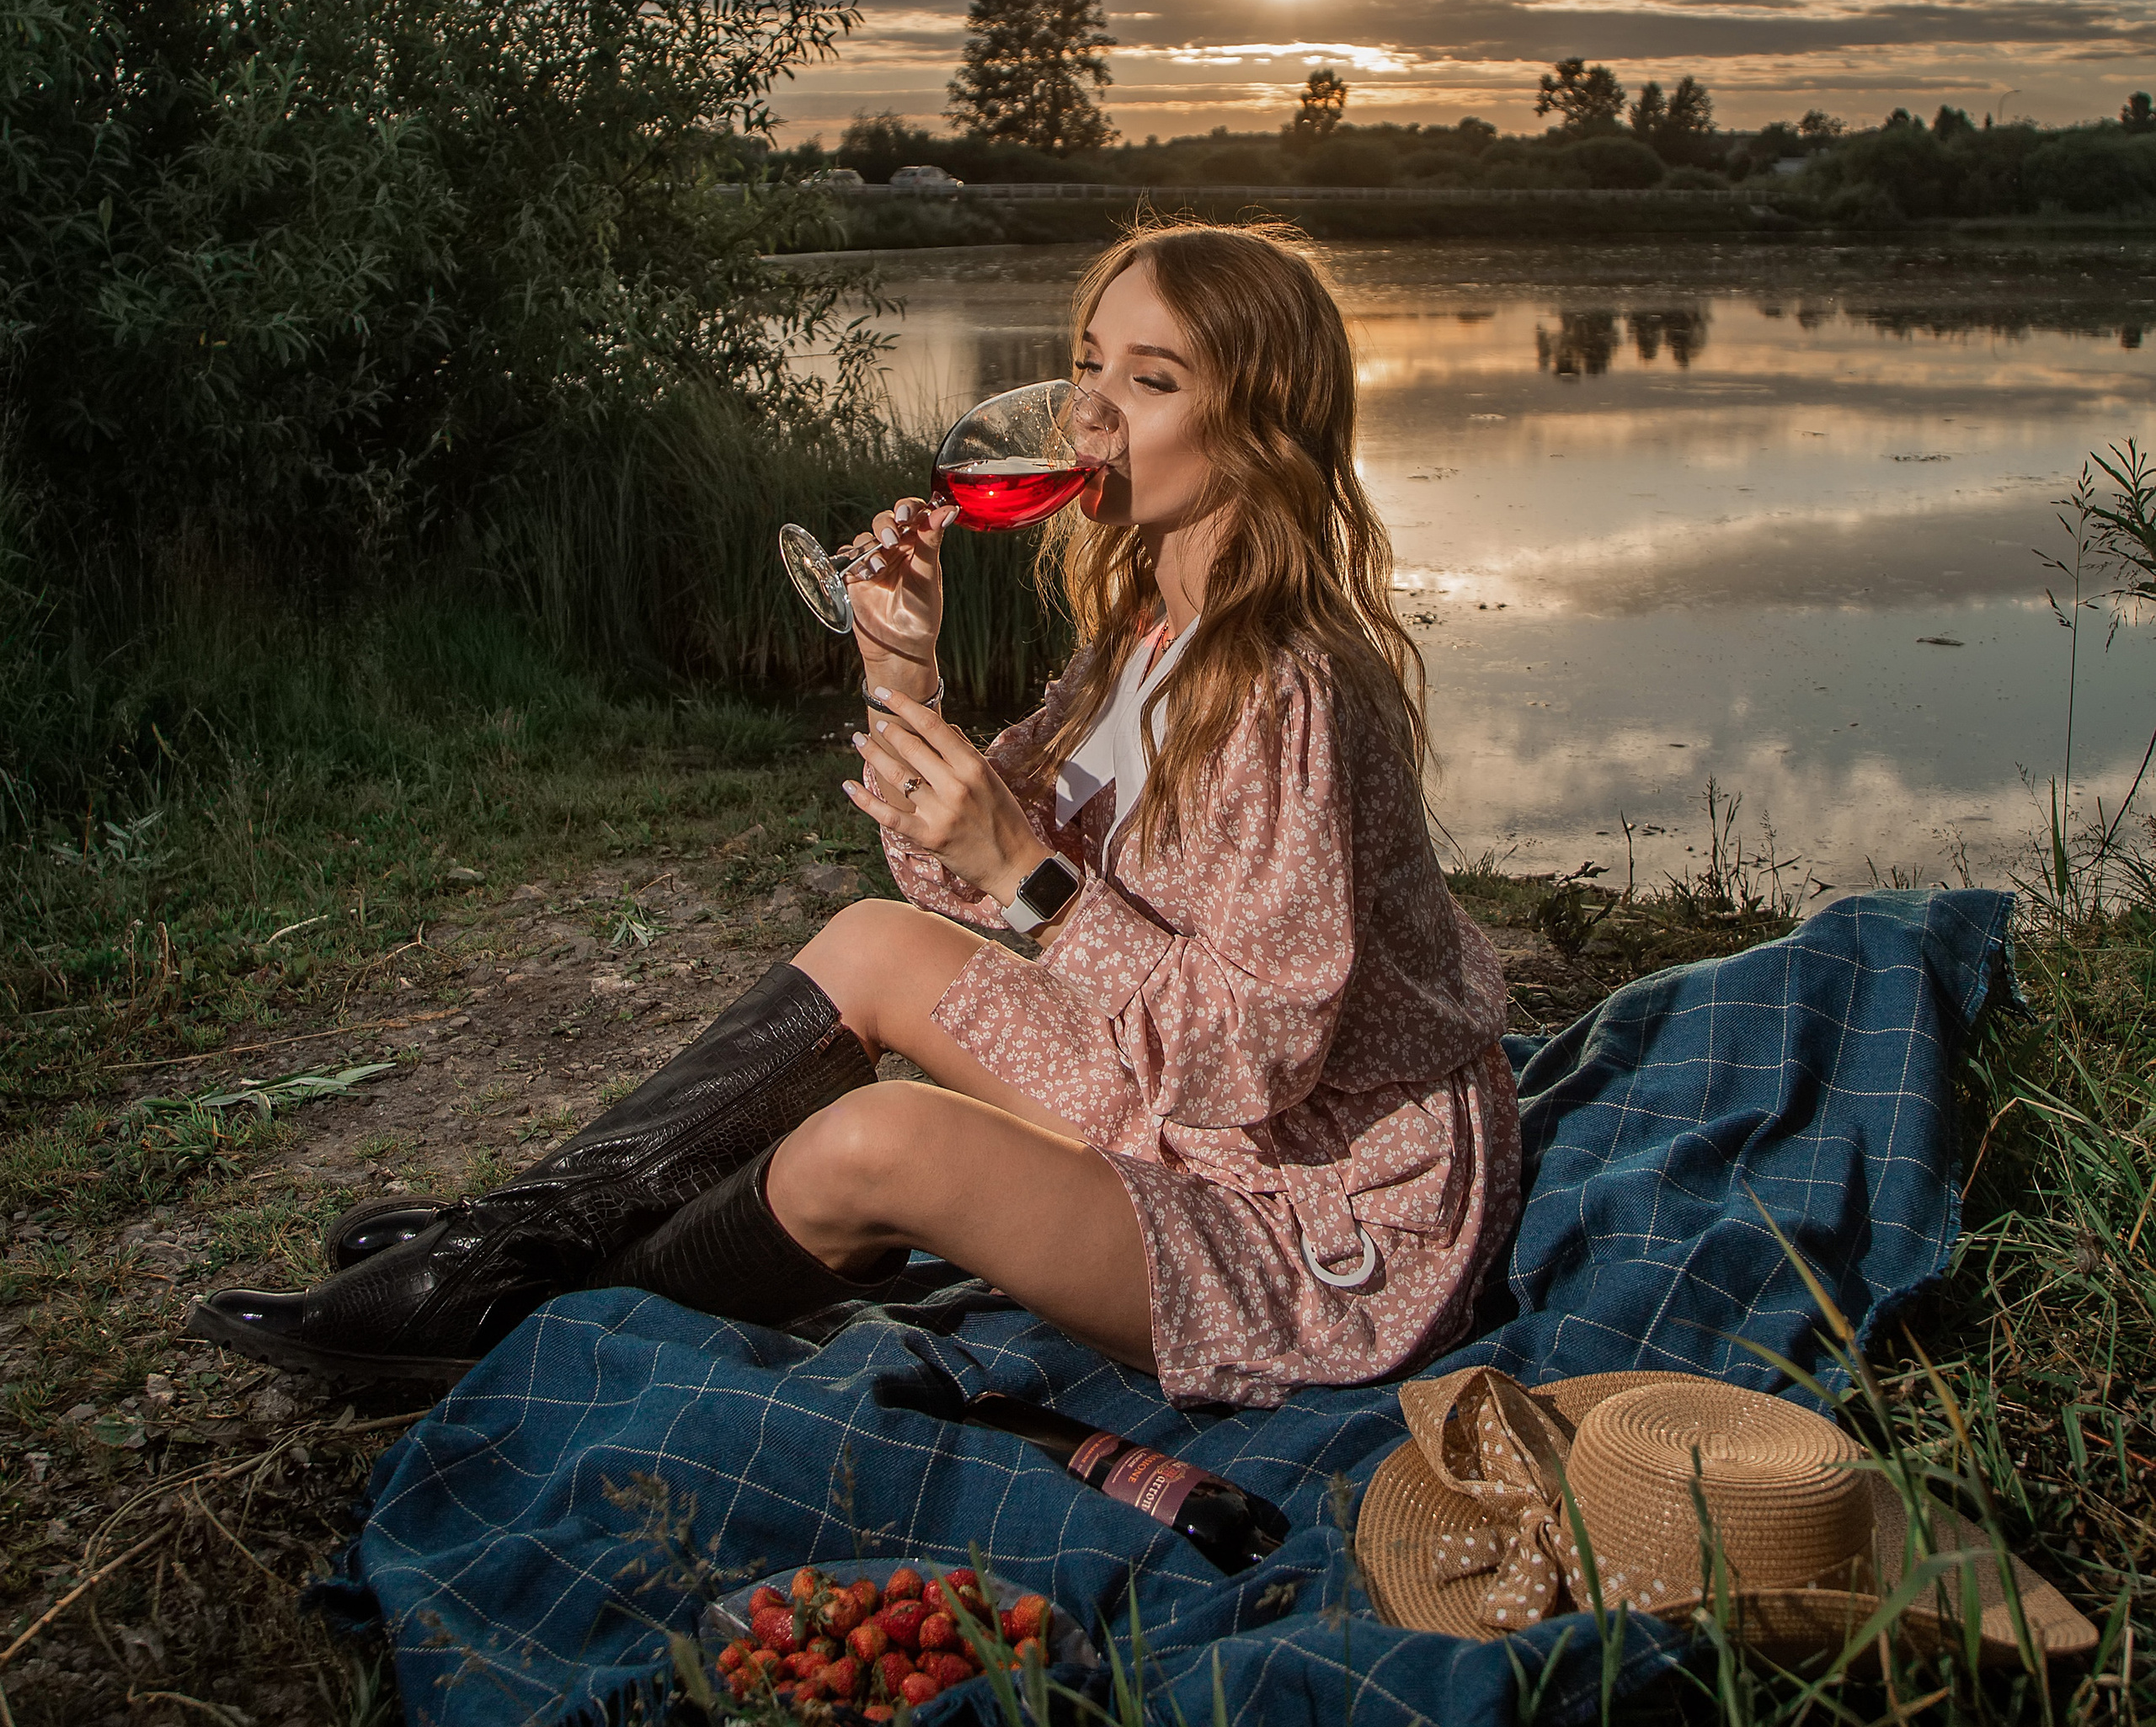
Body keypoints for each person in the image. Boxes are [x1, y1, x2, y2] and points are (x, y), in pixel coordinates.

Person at [190, 224, 1518, 1407]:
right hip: (1193, 1111)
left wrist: (1031, 879)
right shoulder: (1144, 629)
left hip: (1314, 1212)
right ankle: (519, 1243)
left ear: (1261, 431)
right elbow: (953, 868)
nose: (1089, 413)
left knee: (879, 1141)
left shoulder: (1292, 690)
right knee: (875, 940)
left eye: (1151, 382)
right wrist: (901, 673)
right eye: (1088, 363)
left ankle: (534, 1329)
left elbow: (1251, 1061)